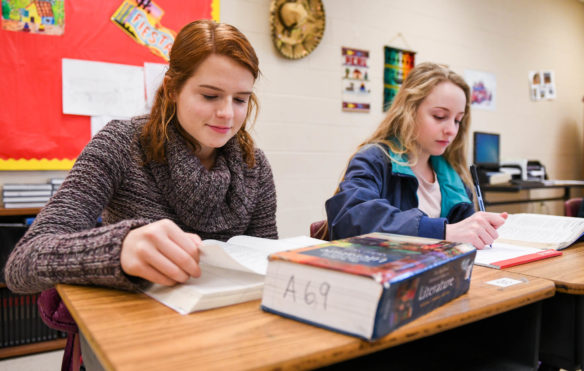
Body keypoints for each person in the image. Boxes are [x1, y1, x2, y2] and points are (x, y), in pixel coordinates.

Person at [4, 19, 277, 369]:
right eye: (210, 95)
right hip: (134, 344)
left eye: (241, 99)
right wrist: (119, 249)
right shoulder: (120, 144)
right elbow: (23, 262)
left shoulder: (254, 166)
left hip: (225, 343)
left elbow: (262, 263)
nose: (227, 113)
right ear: (173, 88)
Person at [325, 62, 507, 249]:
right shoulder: (374, 160)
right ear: (409, 111)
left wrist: (480, 230)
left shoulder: (453, 179)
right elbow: (350, 220)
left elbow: (466, 235)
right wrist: (442, 232)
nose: (451, 130)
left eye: (458, 120)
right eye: (439, 116)